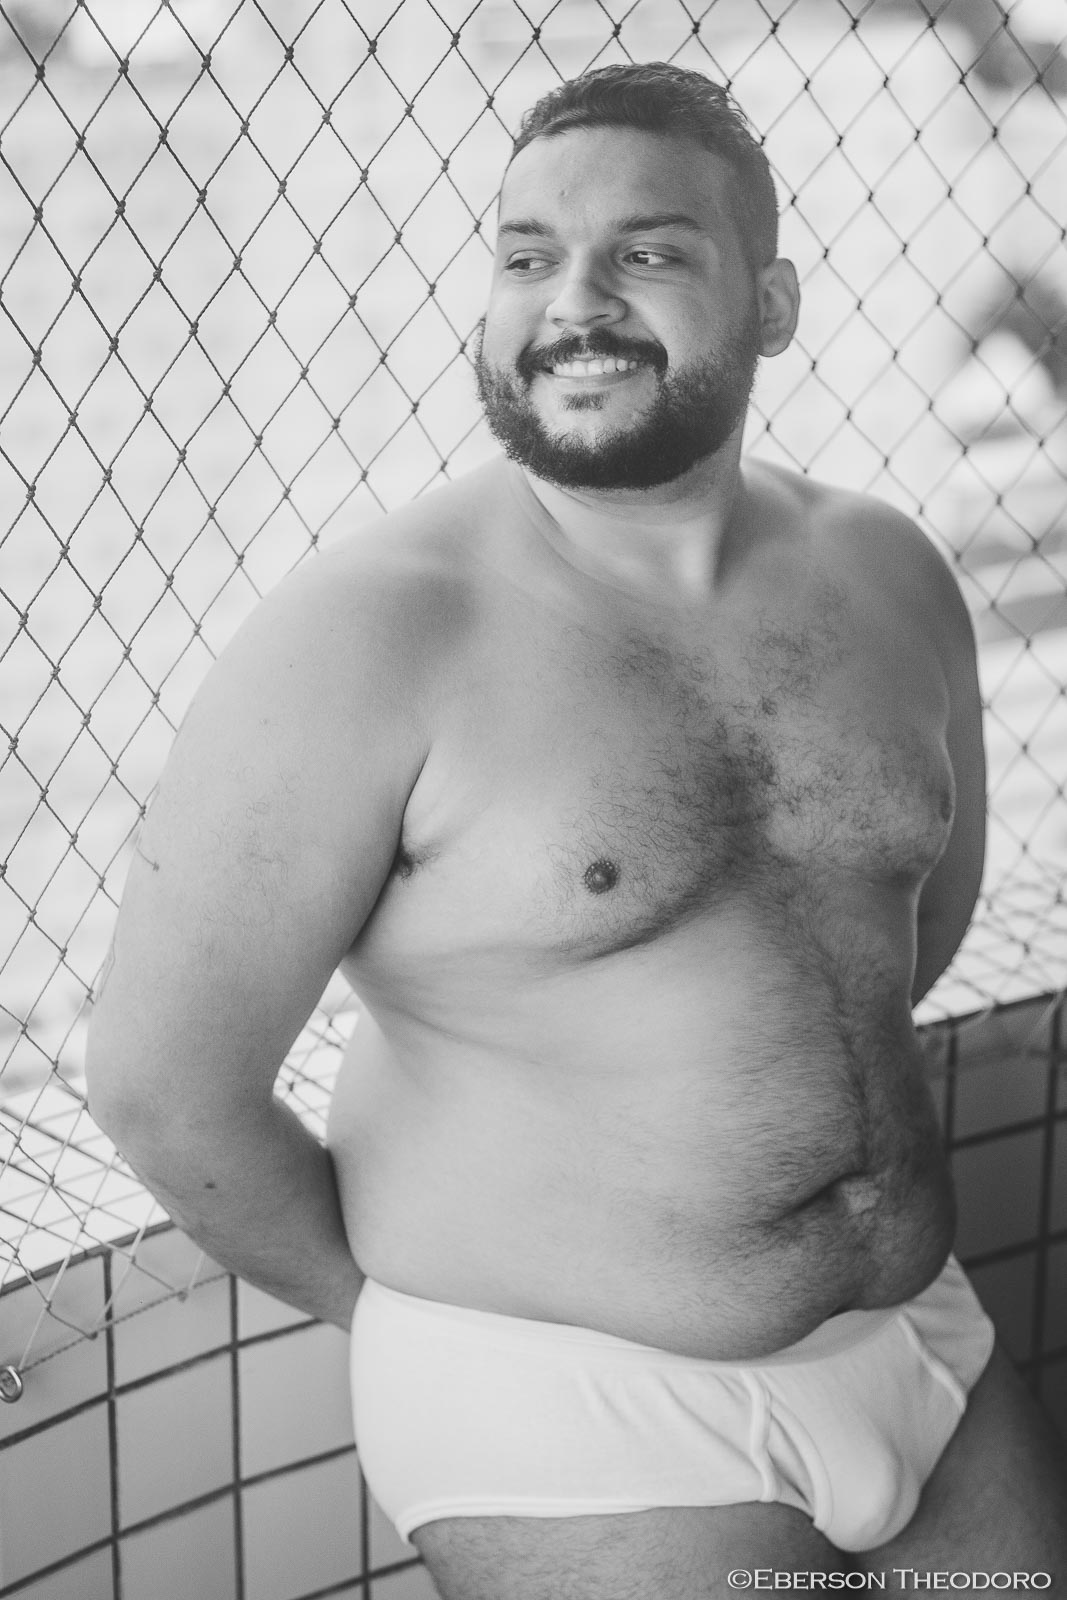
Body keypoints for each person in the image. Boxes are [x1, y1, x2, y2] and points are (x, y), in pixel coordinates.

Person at [85, 62, 1067, 1594]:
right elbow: (163, 1088)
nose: (577, 302)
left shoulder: (889, 574)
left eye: (649, 251)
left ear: (773, 303)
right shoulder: (367, 639)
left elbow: (905, 930)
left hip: (920, 1344)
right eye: (528, 256)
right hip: (574, 1411)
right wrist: (418, 1326)